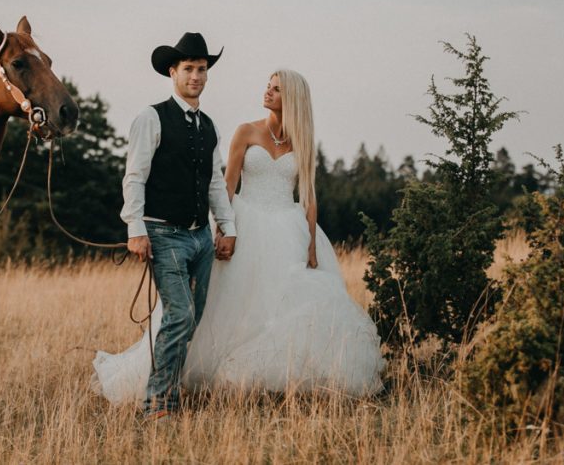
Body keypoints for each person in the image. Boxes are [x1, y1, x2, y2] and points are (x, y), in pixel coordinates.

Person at [93, 69, 384, 402]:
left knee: (282, 302)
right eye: (268, 86)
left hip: (288, 227)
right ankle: (174, 383)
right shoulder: (246, 132)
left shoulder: (302, 141)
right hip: (248, 222)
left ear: (292, 99)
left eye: (276, 89)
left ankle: (273, 374)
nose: (268, 92)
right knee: (224, 302)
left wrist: (313, 246)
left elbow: (309, 195)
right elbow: (225, 184)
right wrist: (223, 226)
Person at [112, 32, 238, 420]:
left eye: (201, 69)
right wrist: (135, 228)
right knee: (180, 315)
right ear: (173, 71)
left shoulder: (210, 125)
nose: (196, 76)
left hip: (201, 236)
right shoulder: (152, 117)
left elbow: (216, 181)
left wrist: (226, 226)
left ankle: (169, 394)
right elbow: (134, 176)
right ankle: (156, 405)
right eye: (189, 69)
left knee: (190, 319)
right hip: (163, 233)